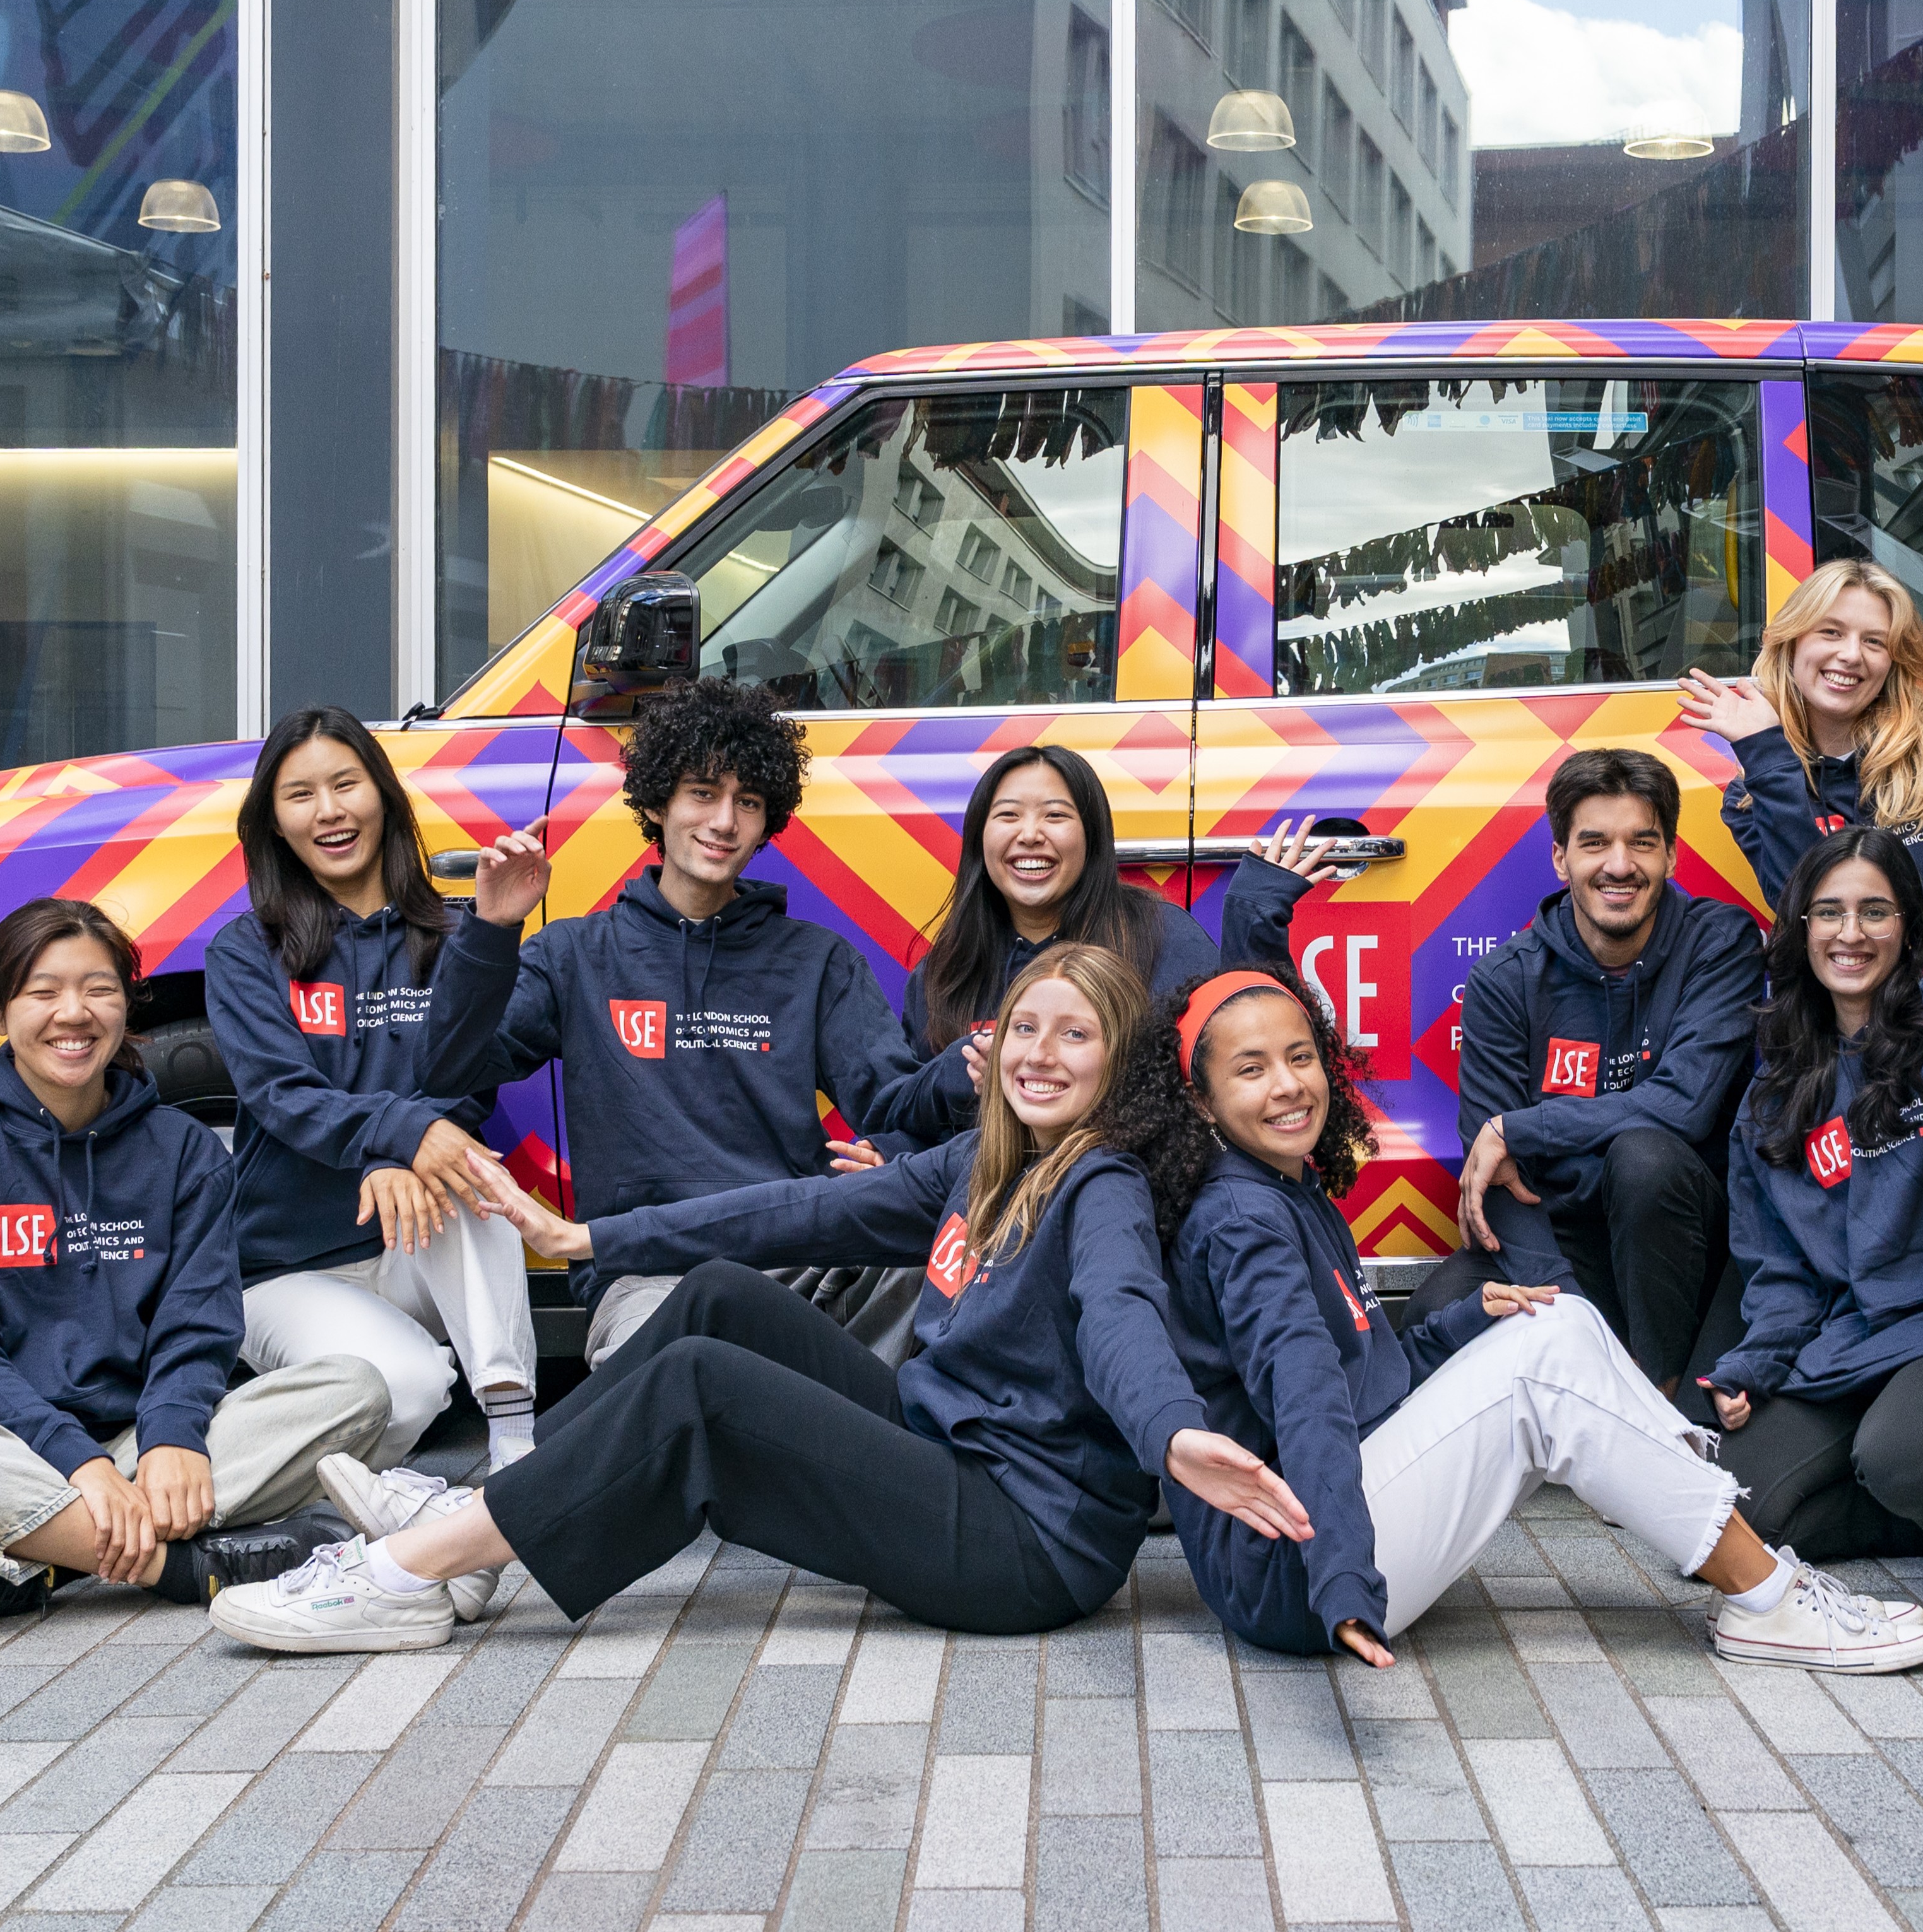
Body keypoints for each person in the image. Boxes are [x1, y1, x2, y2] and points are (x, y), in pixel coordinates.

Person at [207, 945, 1308, 1652]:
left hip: (1029, 1544)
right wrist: (591, 1235)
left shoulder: (1100, 1178)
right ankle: (473, 1516)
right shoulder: (983, 1158)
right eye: (1025, 1026)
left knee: (701, 1389)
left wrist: (1171, 1434)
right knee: (722, 1298)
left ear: (1121, 1064)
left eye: (1077, 1034)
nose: (1040, 1052)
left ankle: (413, 1570)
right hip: (950, 1449)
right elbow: (786, 1213)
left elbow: (1120, 1316)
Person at [1146, 945, 1923, 1675]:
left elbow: (1366, 1380)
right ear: (1203, 1102)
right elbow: (1307, 1402)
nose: (1287, 1084)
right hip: (1297, 1569)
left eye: (1299, 1056)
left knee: (1554, 1319)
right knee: (1542, 1369)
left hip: (1322, 1533)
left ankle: (1731, 1544)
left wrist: (1466, 1322)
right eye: (1250, 1070)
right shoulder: (1241, 1219)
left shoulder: (1283, 1183)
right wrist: (1343, 1582)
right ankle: (1765, 1598)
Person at [0, 897, 389, 1640]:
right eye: (43, 992)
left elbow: (199, 1321)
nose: (73, 1013)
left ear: (127, 1005)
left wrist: (173, 1438)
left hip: (134, 1448)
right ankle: (179, 1566)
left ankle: (25, 1563)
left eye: (99, 988)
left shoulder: (183, 1150)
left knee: (357, 1392)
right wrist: (78, 1464)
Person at [420, 677, 925, 1367]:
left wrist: (891, 1158)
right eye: (703, 793)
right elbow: (449, 1069)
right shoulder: (573, 954)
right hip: (647, 1274)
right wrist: (490, 933)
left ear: (766, 821)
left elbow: (896, 1104)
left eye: (747, 802)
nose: (723, 822)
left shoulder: (817, 962)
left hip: (796, 1261)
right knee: (677, 1373)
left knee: (945, 1282)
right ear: (657, 803)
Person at [1686, 827, 1923, 1581]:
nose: (1850, 934)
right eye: (1829, 913)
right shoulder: (1772, 1096)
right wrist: (1758, 1359)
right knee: (1734, 1506)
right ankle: (1910, 1491)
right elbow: (1779, 1271)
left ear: (1910, 929)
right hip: (1848, 1339)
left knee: (1914, 1460)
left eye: (1876, 912)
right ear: (1802, 929)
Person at [208, 707, 540, 1470]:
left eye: (346, 784)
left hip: (414, 1245)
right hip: (289, 1269)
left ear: (383, 796)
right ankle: (285, 1471)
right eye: (300, 795)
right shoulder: (246, 950)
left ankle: (515, 1435)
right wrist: (399, 1136)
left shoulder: (452, 936)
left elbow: (464, 1086)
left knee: (471, 1167)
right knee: (412, 1389)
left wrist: (493, 929)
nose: (328, 810)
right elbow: (281, 1095)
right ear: (275, 825)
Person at [1440, 748, 1763, 1387]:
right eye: (1594, 843)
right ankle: (1600, 1375)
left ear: (1670, 854)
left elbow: (1683, 1106)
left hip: (1679, 1236)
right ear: (1560, 858)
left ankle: (1662, 1401)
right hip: (1561, 1234)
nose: (1620, 865)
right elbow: (1490, 1169)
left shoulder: (1719, 942)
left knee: (1644, 1157)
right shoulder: (1504, 979)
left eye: (1641, 842)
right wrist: (1565, 1311)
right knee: (1435, 1312)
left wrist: (1523, 1129)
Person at [867, 743, 1221, 1149]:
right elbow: (907, 1121)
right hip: (979, 1198)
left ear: (1092, 835)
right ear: (980, 838)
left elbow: (1229, 1074)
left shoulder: (1162, 937)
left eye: (1055, 816)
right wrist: (901, 1147)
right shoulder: (946, 970)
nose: (1031, 835)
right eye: (1008, 815)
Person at [1676, 559, 1923, 931]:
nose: (1852, 655)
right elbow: (1815, 913)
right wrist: (1766, 753)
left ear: (1893, 661)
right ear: (1792, 643)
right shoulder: (1752, 794)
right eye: (1831, 632)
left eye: (1874, 641)